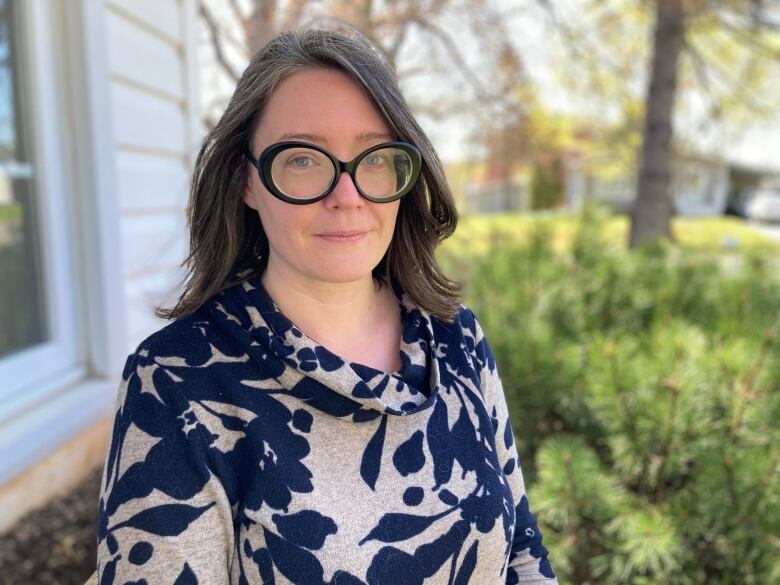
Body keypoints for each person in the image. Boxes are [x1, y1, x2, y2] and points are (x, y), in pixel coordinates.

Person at [95, 26, 557, 585]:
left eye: (374, 157)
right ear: (247, 181)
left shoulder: (456, 338)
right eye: (304, 160)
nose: (348, 196)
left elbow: (522, 552)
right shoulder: (176, 382)